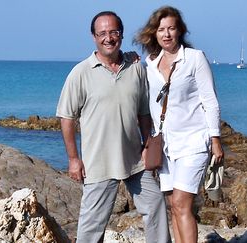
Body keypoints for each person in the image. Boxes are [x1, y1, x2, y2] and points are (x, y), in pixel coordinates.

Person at [56, 10, 172, 243]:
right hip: (98, 163)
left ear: (121, 34)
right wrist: (73, 159)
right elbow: (67, 118)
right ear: (94, 37)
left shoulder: (135, 67)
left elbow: (142, 112)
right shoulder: (80, 73)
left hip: (134, 159)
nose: (108, 38)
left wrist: (148, 142)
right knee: (91, 228)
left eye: (113, 32)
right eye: (102, 33)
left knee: (156, 205)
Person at [134, 6, 224, 243]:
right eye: (161, 29)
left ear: (180, 31)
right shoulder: (150, 64)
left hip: (194, 141)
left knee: (182, 203)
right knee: (173, 204)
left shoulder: (195, 59)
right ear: (154, 33)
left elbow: (210, 101)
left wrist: (216, 140)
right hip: (165, 146)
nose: (166, 34)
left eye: (171, 28)